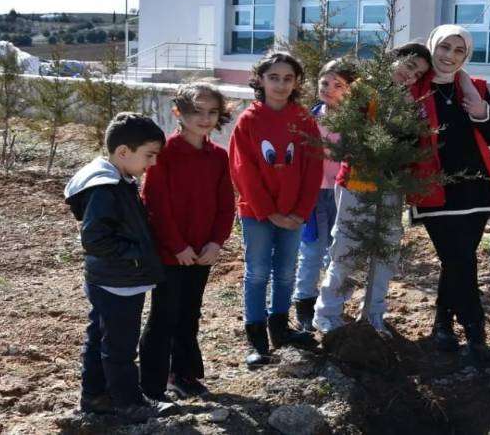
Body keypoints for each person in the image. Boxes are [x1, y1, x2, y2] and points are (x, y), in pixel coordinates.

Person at [312, 44, 432, 335]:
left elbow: (412, 145)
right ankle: (327, 314)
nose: (410, 74)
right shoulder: (362, 91)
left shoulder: (409, 101)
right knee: (347, 248)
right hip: (357, 183)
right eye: (408, 64)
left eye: (417, 73)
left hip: (390, 187)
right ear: (392, 58)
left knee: (385, 250)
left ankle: (374, 312)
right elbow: (351, 135)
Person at [64, 112, 176, 421]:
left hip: (110, 277)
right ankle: (128, 403)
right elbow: (95, 238)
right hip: (119, 281)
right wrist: (137, 254)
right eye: (148, 156)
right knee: (121, 347)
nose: (152, 163)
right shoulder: (107, 188)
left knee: (100, 338)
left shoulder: (118, 179)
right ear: (124, 152)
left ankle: (95, 395)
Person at [409, 25, 490, 365]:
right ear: (432, 46)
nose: (449, 55)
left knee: (460, 259)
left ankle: (443, 325)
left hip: (476, 187)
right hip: (434, 188)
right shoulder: (414, 90)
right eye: (444, 47)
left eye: (458, 50)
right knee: (458, 258)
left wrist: (478, 106)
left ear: (466, 55)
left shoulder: (475, 87)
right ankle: (475, 332)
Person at [138, 82, 236, 400]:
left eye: (211, 112)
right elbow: (155, 204)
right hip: (170, 253)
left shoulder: (218, 157)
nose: (204, 119)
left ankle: (184, 374)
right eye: (196, 112)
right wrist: (176, 246)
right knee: (164, 315)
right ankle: (151, 384)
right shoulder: (164, 154)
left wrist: (216, 243)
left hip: (202, 253)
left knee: (189, 313)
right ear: (179, 112)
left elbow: (225, 205)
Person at [229, 50, 323, 367]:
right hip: (257, 213)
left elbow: (312, 168)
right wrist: (269, 211)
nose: (280, 85)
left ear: (296, 82)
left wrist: (300, 211)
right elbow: (244, 170)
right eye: (274, 78)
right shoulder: (249, 121)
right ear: (260, 80)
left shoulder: (304, 121)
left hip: (295, 213)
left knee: (285, 272)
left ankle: (280, 329)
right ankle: (256, 340)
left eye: (287, 78)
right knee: (257, 272)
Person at [293, 60, 358, 334]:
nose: (330, 90)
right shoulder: (308, 120)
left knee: (340, 251)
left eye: (338, 85)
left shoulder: (356, 124)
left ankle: (333, 303)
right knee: (312, 249)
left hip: (345, 194)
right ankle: (304, 304)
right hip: (313, 194)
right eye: (325, 83)